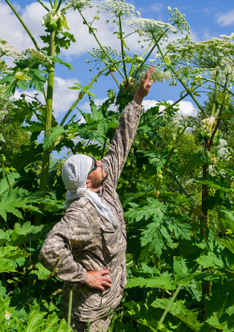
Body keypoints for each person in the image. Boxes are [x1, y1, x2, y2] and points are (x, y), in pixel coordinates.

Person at [39, 66, 154, 332]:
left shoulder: (105, 189)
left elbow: (120, 144)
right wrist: (83, 276)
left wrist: (138, 99)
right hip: (86, 313)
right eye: (94, 164)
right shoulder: (81, 212)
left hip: (105, 305)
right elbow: (49, 250)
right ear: (86, 182)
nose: (100, 161)